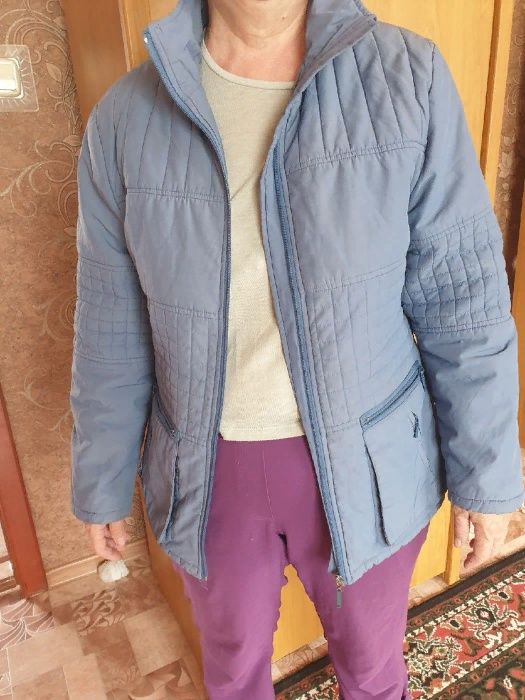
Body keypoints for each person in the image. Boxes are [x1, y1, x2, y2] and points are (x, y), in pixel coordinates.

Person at [69, 0, 524, 697]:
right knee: (232, 673)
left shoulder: (408, 77)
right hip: (208, 476)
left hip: (369, 469)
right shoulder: (125, 118)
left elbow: (462, 302)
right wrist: (100, 482)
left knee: (373, 671)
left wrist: (486, 478)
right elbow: (110, 327)